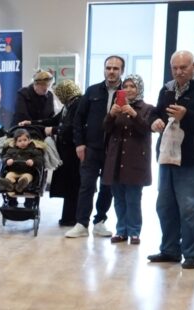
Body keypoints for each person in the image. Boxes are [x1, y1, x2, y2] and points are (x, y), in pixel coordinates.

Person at [148, 50, 194, 269]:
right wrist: (155, 122)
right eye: (175, 68)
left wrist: (186, 115)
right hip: (167, 156)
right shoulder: (167, 88)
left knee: (190, 209)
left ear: (193, 66)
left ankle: (192, 255)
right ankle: (169, 250)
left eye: (183, 68)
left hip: (192, 159)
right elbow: (156, 113)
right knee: (165, 206)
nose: (178, 72)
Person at [66, 56, 124, 238]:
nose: (111, 71)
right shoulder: (92, 92)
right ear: (104, 69)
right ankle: (81, 224)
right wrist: (80, 144)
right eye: (108, 68)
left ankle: (100, 222)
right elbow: (78, 119)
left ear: (121, 70)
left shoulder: (126, 93)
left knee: (107, 187)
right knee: (87, 186)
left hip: (113, 150)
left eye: (115, 68)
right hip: (91, 148)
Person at [103, 74, 153, 245]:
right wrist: (110, 115)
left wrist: (134, 114)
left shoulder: (147, 108)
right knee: (118, 198)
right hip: (116, 159)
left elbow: (146, 129)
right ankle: (121, 230)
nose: (129, 89)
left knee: (133, 198)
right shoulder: (116, 106)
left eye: (133, 86)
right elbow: (106, 129)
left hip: (135, 160)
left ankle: (134, 231)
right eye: (126, 86)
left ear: (139, 89)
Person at [50, 79, 83, 227]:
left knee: (73, 186)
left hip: (73, 152)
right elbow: (53, 121)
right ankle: (68, 218)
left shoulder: (76, 105)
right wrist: (32, 123)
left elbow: (70, 127)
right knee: (70, 186)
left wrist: (53, 130)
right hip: (67, 152)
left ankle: (71, 218)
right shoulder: (68, 105)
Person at [0, 128, 43, 193]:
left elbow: (40, 160)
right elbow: (5, 157)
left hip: (28, 171)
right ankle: (8, 184)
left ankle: (20, 185)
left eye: (25, 140)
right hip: (14, 171)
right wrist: (7, 160)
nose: (23, 142)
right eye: (20, 141)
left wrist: (33, 161)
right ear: (16, 143)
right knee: (9, 175)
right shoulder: (11, 150)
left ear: (29, 140)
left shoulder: (34, 150)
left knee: (26, 177)